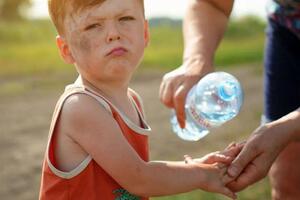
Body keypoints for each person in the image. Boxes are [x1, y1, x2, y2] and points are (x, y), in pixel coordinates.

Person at [39, 0, 243, 199]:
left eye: (125, 18)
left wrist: (194, 168)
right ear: (66, 49)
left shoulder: (132, 100)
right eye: (93, 26)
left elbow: (136, 170)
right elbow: (139, 178)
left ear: (145, 33)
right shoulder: (81, 107)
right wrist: (202, 175)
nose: (113, 34)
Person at [159, 0, 300, 199]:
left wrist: (288, 127)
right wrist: (196, 60)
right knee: (288, 182)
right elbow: (213, 4)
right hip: (288, 26)